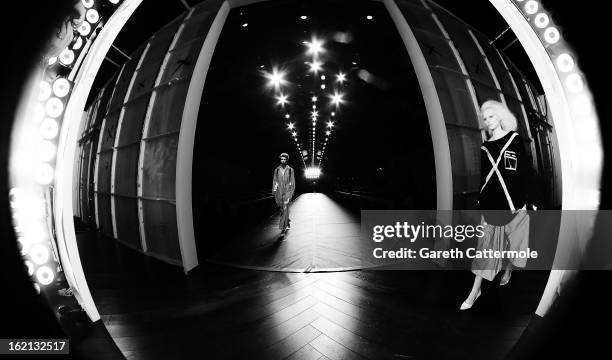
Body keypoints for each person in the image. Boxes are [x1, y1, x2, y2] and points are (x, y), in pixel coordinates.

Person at [460, 100, 537, 310]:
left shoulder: (515, 140)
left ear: (501, 116)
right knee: (485, 250)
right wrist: (480, 204)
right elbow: (484, 179)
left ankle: (509, 270)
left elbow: (526, 172)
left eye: (491, 116)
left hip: (515, 203)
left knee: (516, 244)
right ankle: (475, 292)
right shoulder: (485, 147)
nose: (488, 121)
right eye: (485, 118)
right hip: (492, 205)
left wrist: (530, 200)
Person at [272, 153, 295, 235]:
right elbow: (275, 181)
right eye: (281, 159)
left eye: (284, 159)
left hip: (287, 192)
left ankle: (282, 229)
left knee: (285, 208)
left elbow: (292, 182)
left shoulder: (290, 170)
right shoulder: (277, 170)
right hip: (279, 192)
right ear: (280, 159)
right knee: (282, 209)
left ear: (287, 160)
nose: (283, 161)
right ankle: (287, 221)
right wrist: (274, 192)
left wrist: (291, 193)